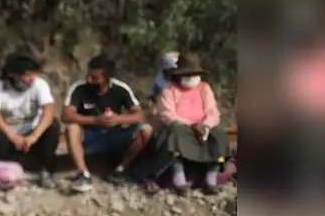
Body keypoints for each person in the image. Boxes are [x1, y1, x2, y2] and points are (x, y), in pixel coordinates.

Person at [62, 55, 146, 192]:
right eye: (88, 75)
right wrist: (95, 120)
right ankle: (83, 173)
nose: (89, 80)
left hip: (116, 134)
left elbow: (140, 115)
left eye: (94, 78)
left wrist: (118, 119)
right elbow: (66, 115)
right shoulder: (79, 88)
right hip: (90, 136)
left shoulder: (121, 89)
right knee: (71, 127)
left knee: (145, 130)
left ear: (107, 78)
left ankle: (120, 169)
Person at [0, 51, 61, 188]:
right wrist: (12, 136)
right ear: (13, 75)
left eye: (34, 74)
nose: (32, 78)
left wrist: (34, 136)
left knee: (53, 125)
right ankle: (4, 168)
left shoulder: (39, 85)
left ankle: (46, 171)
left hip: (32, 135)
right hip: (8, 136)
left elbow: (49, 109)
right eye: (27, 75)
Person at [155, 54, 231, 194]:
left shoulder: (204, 88)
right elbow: (167, 114)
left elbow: (212, 111)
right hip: (181, 127)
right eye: (187, 74)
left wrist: (206, 125)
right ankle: (179, 180)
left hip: (203, 127)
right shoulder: (169, 90)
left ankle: (210, 179)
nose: (192, 76)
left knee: (219, 135)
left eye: (195, 74)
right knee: (176, 132)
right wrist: (191, 125)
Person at [107, 51, 179, 185]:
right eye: (172, 70)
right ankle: (122, 167)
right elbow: (151, 99)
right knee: (145, 131)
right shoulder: (160, 80)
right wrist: (153, 108)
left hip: (177, 117)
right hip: (159, 116)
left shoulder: (183, 82)